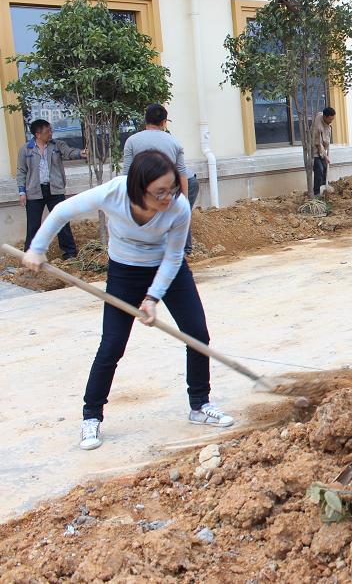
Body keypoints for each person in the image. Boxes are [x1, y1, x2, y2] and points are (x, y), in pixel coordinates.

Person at [22, 150, 234, 451]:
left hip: (168, 269)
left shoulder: (178, 207)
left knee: (197, 334)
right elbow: (61, 211)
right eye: (160, 192)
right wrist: (37, 248)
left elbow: (174, 256)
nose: (168, 197)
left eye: (172, 189)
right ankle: (91, 416)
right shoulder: (114, 193)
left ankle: (199, 404)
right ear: (138, 187)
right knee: (112, 345)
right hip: (124, 271)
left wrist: (152, 298)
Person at [123, 103, 200, 255]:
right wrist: (184, 201)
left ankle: (183, 250)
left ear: (145, 120)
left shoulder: (131, 141)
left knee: (171, 214)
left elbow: (127, 174)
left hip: (169, 185)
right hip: (186, 182)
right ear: (164, 122)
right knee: (177, 214)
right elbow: (182, 173)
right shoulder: (173, 141)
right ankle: (177, 250)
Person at [16, 119, 87, 259]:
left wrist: (80, 153)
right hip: (34, 192)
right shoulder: (26, 149)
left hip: (55, 189)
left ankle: (70, 252)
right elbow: (21, 171)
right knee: (33, 225)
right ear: (38, 134)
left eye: (51, 130)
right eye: (48, 131)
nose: (51, 133)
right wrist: (22, 192)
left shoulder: (57, 145)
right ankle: (31, 254)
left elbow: (69, 152)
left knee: (61, 220)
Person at [312, 107, 335, 195]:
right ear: (325, 117)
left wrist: (325, 153)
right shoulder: (318, 127)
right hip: (315, 151)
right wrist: (325, 157)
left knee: (325, 169)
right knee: (319, 170)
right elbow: (318, 144)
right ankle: (316, 193)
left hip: (323, 150)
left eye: (333, 119)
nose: (331, 121)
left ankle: (324, 188)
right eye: (330, 119)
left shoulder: (325, 118)